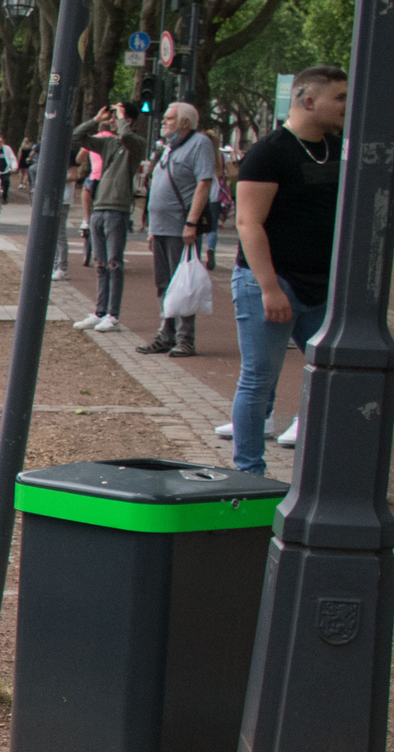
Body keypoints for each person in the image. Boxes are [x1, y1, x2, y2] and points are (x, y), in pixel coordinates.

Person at [229, 65, 349, 476]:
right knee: (259, 379)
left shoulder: (339, 148)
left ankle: (325, 468)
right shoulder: (270, 152)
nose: (347, 106)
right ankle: (249, 473)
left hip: (321, 283)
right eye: (340, 97)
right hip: (273, 281)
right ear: (308, 100)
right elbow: (249, 222)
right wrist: (268, 287)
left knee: (335, 377)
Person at [141, 102, 217, 356]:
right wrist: (152, 228)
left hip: (180, 226)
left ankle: (185, 339)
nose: (164, 122)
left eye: (169, 118)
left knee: (182, 283)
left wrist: (192, 222)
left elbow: (204, 183)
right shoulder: (168, 147)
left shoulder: (200, 143)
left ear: (185, 122)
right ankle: (166, 334)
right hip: (162, 226)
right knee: (164, 283)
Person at [70, 102, 149, 332]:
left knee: (115, 263)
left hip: (118, 209)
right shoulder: (108, 143)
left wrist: (123, 117)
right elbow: (77, 137)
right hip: (99, 207)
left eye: (117, 116)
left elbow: (127, 136)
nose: (112, 120)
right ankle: (100, 310)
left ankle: (113, 314)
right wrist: (95, 119)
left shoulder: (136, 143)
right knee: (100, 263)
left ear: (129, 120)